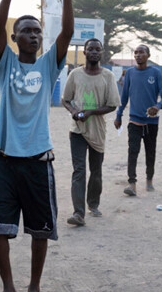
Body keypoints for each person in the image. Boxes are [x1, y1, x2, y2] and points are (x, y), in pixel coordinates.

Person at [0, 0, 73, 292]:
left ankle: (34, 286)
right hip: (4, 162)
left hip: (38, 162)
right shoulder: (5, 62)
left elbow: (66, 33)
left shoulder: (49, 65)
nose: (33, 35)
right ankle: (8, 285)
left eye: (37, 31)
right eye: (26, 30)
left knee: (40, 231)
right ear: (14, 38)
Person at [62, 38, 120, 226]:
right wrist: (74, 112)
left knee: (96, 171)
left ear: (102, 53)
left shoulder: (108, 76)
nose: (94, 52)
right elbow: (66, 99)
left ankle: (93, 203)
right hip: (77, 130)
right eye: (90, 49)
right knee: (79, 170)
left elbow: (112, 105)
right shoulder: (75, 74)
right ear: (85, 52)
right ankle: (78, 213)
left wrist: (90, 112)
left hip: (97, 130)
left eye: (97, 49)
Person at [114, 44, 162, 196]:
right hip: (134, 121)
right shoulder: (130, 74)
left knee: (150, 152)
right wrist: (118, 115)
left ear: (148, 55)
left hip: (151, 122)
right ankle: (132, 184)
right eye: (136, 52)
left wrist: (158, 106)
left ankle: (149, 180)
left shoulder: (156, 73)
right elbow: (124, 97)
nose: (138, 55)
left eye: (142, 52)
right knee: (132, 151)